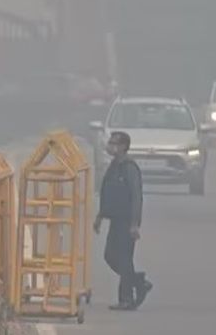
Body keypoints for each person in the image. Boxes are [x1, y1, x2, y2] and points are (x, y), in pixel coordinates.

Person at [94, 131, 152, 310]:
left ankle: (126, 299)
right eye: (110, 143)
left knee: (125, 259)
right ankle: (138, 282)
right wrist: (100, 216)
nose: (110, 146)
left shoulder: (129, 167)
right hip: (116, 220)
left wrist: (134, 224)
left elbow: (136, 196)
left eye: (114, 143)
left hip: (127, 221)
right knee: (110, 256)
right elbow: (107, 192)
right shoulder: (114, 166)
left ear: (123, 147)